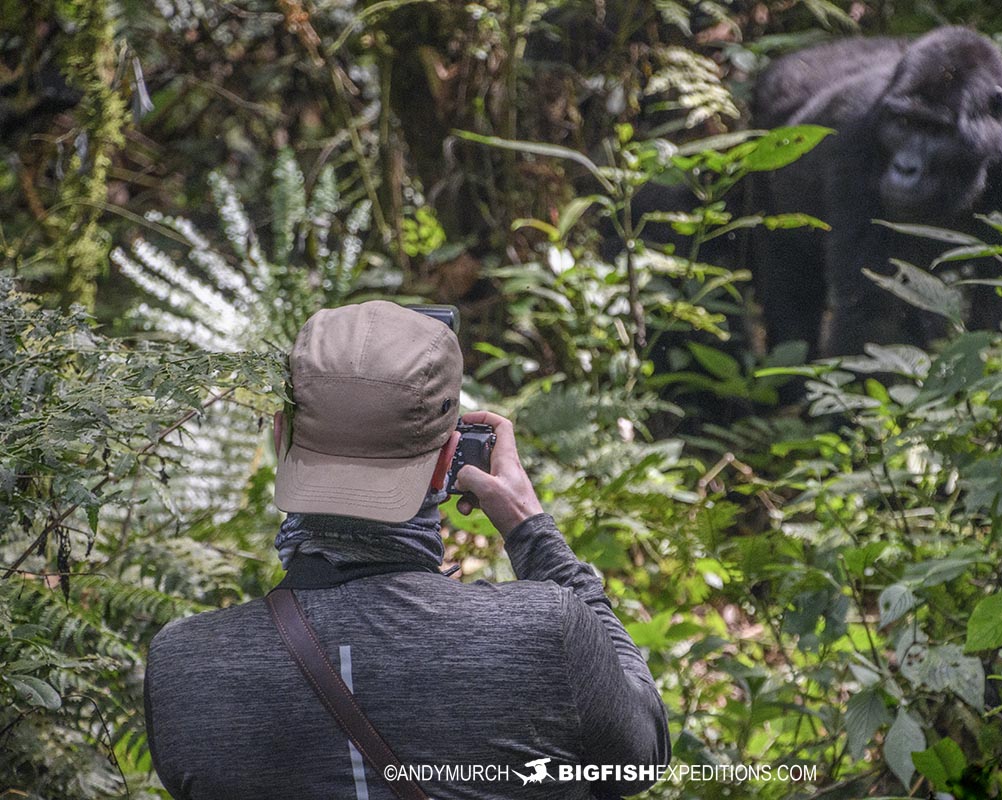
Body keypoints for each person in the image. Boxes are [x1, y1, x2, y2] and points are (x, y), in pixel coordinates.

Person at [144, 300, 672, 799]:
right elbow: (644, 754)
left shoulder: (182, 666)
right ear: (449, 461)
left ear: (280, 437)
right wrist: (529, 528)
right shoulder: (545, 630)